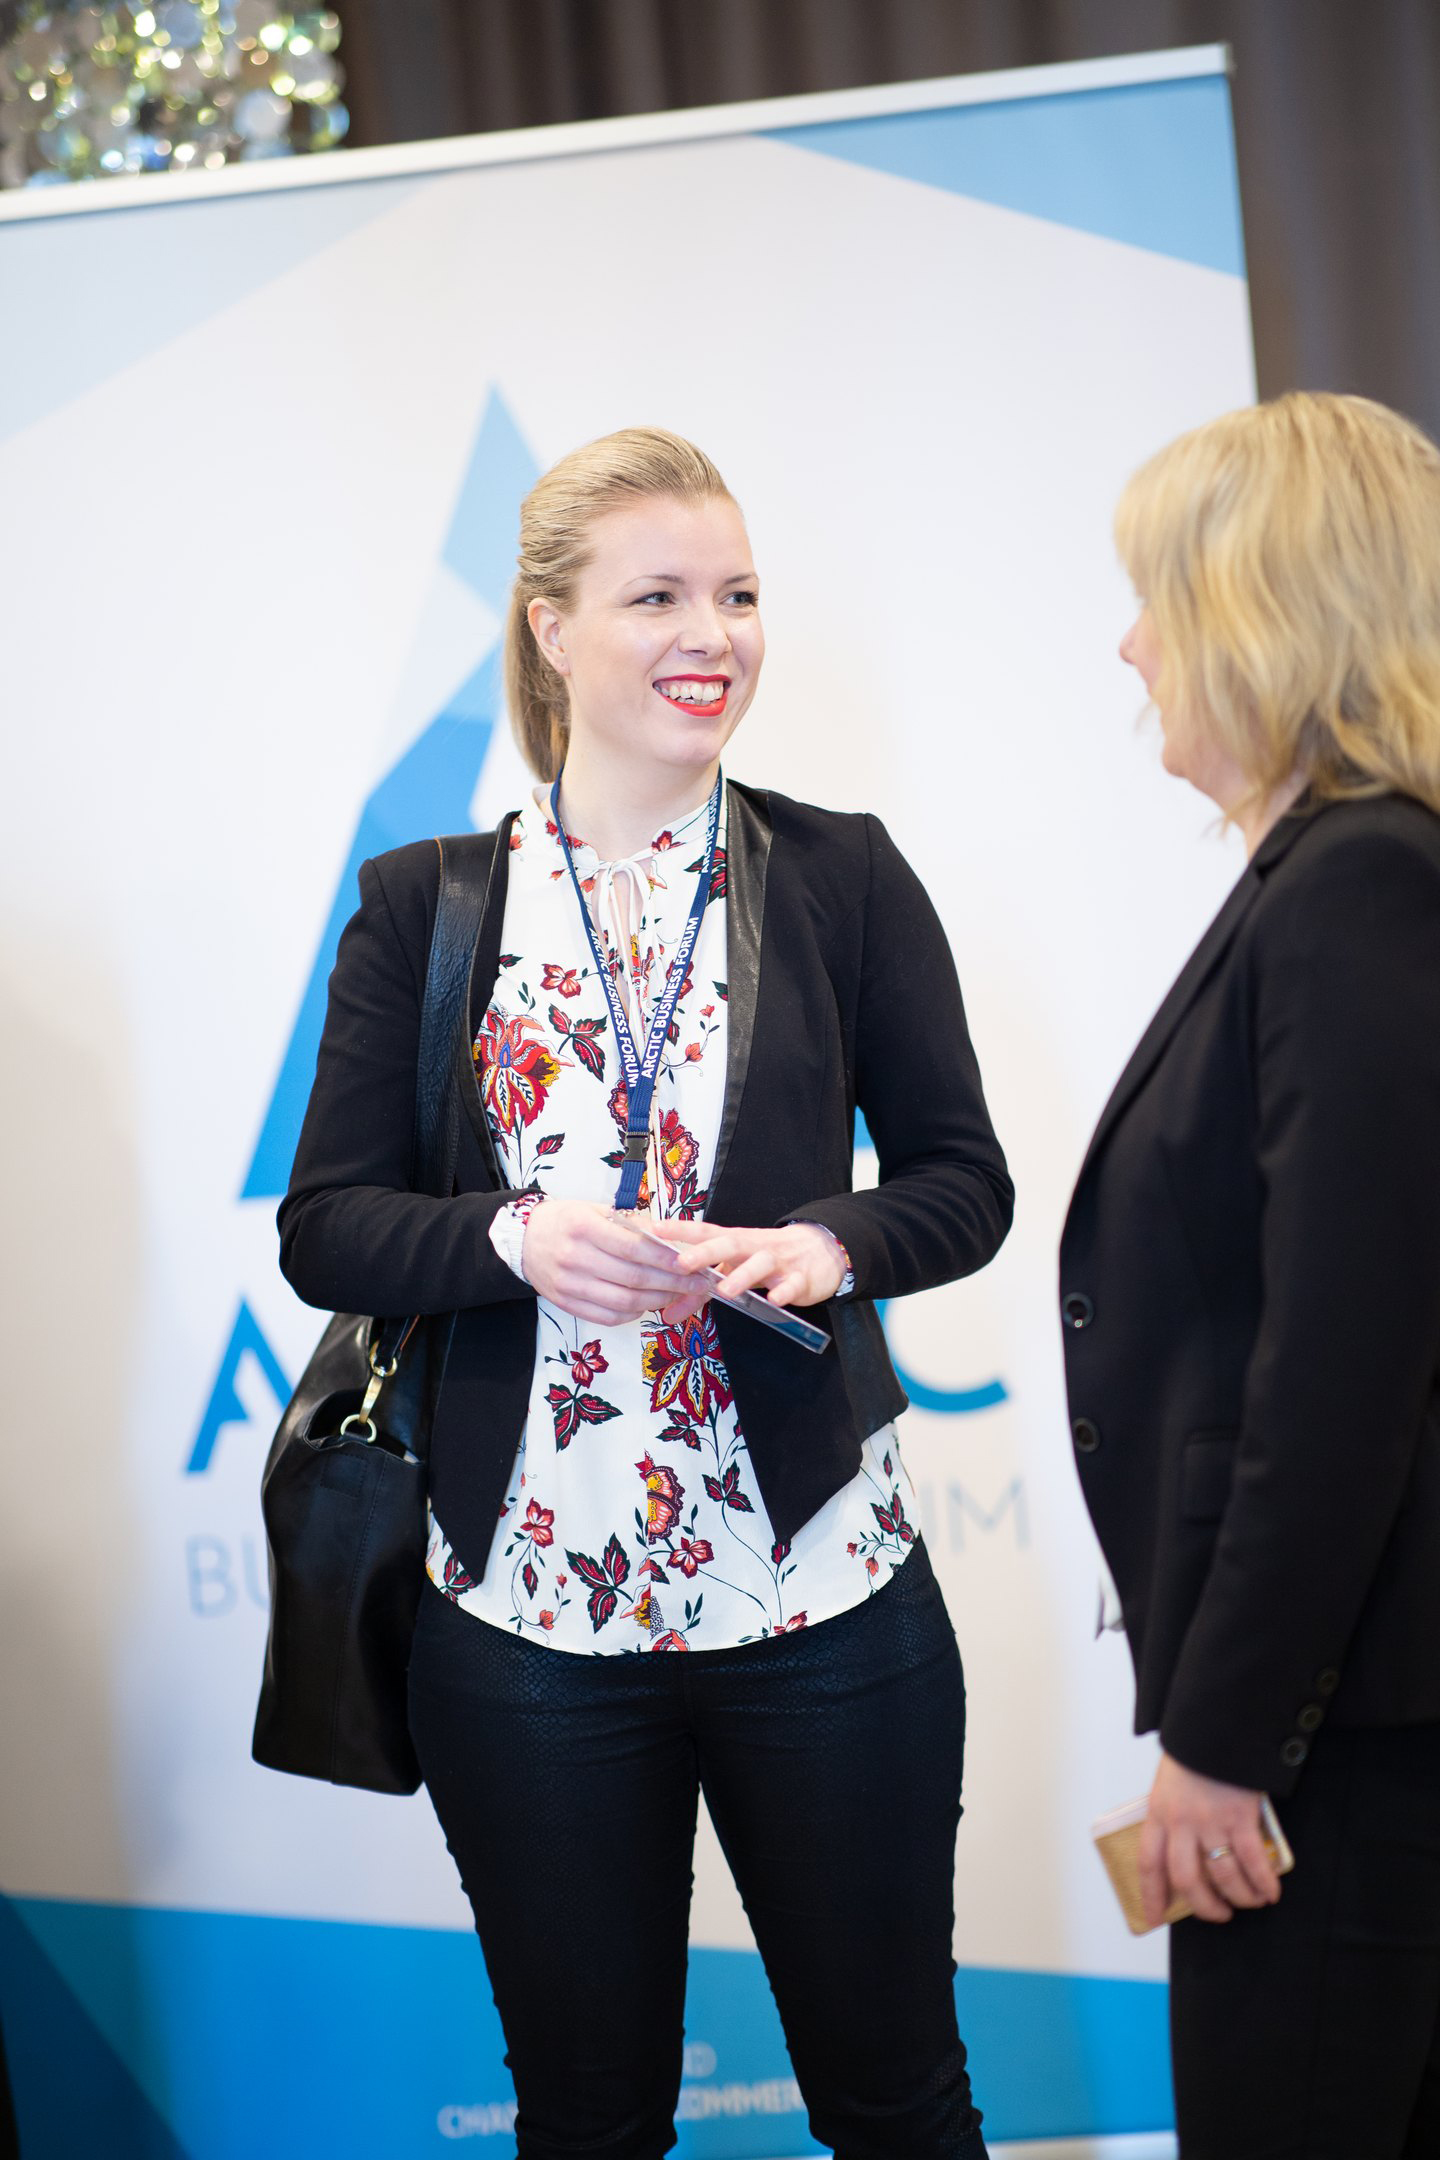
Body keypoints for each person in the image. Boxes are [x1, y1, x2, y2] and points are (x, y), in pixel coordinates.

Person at [279, 426, 1011, 2160]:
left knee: (899, 2103)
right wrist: (510, 1241)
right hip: (527, 1624)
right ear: (549, 629)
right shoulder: (424, 907)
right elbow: (327, 1227)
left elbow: (960, 1179)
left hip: (822, 1597)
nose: (715, 635)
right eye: (660, 596)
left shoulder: (840, 875)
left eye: (739, 595)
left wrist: (830, 1245)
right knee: (589, 2120)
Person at [1060, 392, 1440, 2157]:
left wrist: (1226, 1741)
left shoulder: (1365, 887)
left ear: (1261, 614)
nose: (1132, 647)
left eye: (1158, 598)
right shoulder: (1346, 874)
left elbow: (1341, 1372)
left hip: (1352, 1739)